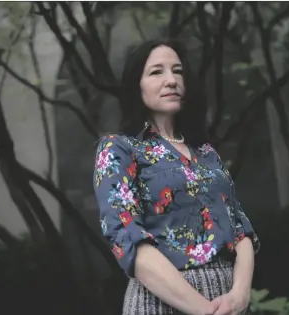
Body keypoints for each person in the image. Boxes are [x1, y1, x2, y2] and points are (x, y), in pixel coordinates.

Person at [93, 39, 260, 315]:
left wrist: (240, 295)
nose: (171, 80)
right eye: (157, 72)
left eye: (177, 71)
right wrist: (204, 310)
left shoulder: (204, 151)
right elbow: (127, 239)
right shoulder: (119, 149)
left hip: (228, 302)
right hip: (162, 301)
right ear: (137, 85)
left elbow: (241, 230)